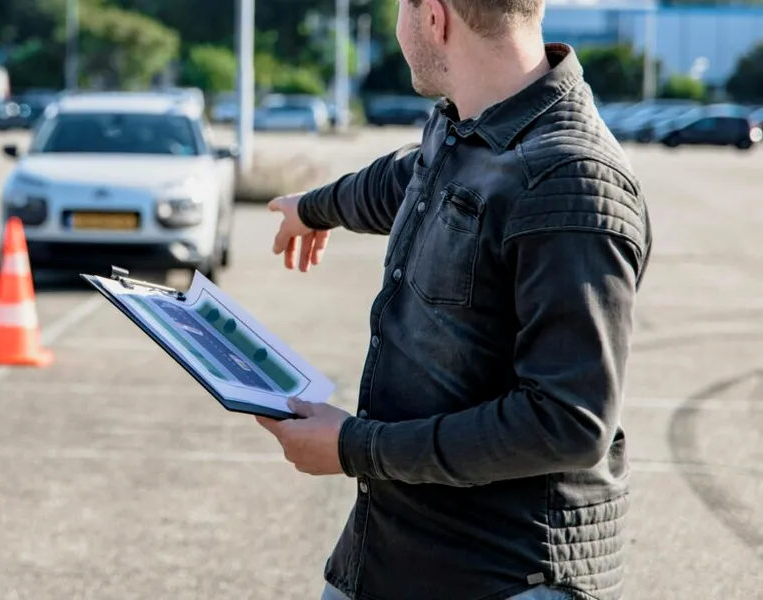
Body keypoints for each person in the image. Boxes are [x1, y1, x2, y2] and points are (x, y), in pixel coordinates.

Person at [258, 1, 651, 599]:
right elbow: (409, 179)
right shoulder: (467, 127)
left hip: (505, 578)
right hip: (394, 557)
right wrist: (314, 207)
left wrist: (353, 447)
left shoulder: (571, 181)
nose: (397, 25)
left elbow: (567, 423)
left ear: (435, 18)